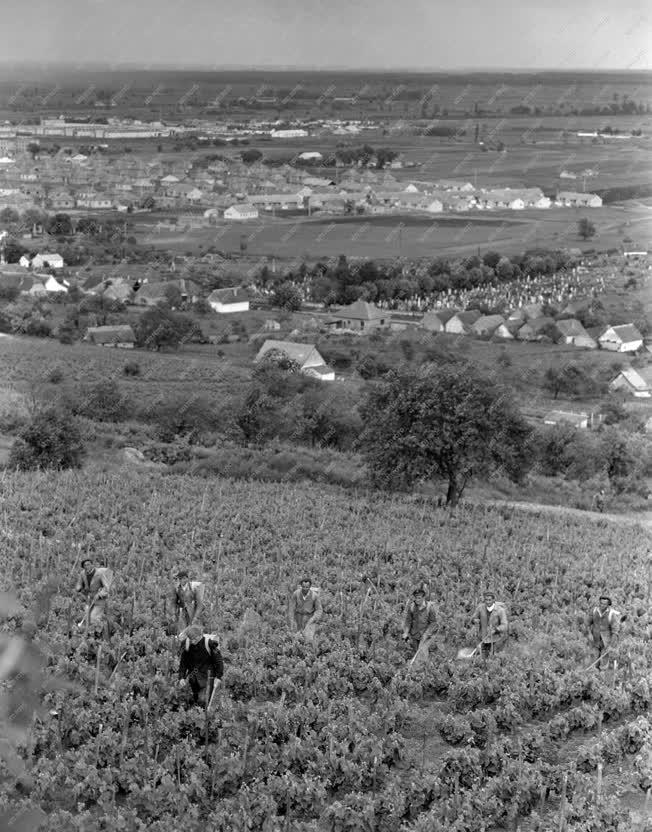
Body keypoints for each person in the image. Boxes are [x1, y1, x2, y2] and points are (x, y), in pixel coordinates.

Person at [178, 624, 224, 706]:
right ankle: (199, 713)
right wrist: (181, 677)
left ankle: (204, 713)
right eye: (191, 639)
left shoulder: (209, 644)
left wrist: (218, 677)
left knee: (202, 700)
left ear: (200, 635)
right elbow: (183, 663)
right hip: (193, 678)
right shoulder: (187, 645)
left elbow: (219, 661)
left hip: (208, 677)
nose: (193, 641)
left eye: (195, 639)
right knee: (196, 699)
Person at [75, 559, 113, 632]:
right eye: (85, 565)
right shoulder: (82, 573)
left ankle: (100, 633)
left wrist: (99, 594)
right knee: (86, 618)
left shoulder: (99, 574)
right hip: (89, 599)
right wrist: (78, 587)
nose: (87, 566)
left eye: (88, 564)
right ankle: (87, 633)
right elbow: (79, 583)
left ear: (92, 565)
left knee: (94, 618)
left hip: (99, 600)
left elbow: (107, 588)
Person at [586, 595, 620, 669]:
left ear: (608, 605)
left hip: (606, 642)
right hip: (595, 640)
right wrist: (589, 634)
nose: (602, 605)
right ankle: (593, 673)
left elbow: (615, 632)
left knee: (604, 662)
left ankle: (602, 675)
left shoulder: (612, 615)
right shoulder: (594, 611)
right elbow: (588, 623)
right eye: (601, 603)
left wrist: (611, 645)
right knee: (593, 659)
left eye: (604, 604)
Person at [472, 591, 509, 658]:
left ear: (493, 600)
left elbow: (505, 625)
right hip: (482, 638)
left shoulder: (500, 610)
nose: (488, 602)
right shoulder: (480, 608)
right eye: (486, 600)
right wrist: (475, 620)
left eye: (490, 600)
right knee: (481, 657)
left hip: (496, 639)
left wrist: (496, 629)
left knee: (494, 658)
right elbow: (473, 618)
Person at [402, 586, 436, 654]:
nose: (417, 600)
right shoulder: (412, 607)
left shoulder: (429, 608)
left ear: (423, 598)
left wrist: (426, 634)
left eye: (419, 598)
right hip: (414, 635)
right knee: (415, 653)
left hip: (425, 636)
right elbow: (408, 621)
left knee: (422, 654)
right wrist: (406, 632)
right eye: (415, 598)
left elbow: (433, 623)